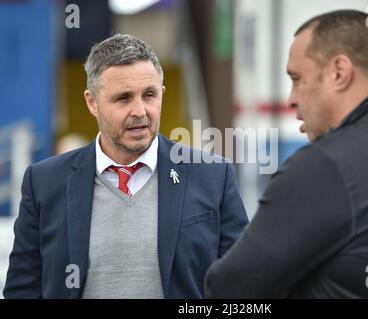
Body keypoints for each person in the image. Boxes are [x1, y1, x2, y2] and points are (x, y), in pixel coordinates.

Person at [204, 10, 368, 298]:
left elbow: (227, 292)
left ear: (338, 73)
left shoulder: (325, 166)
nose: (291, 98)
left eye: (297, 79)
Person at [4, 34, 248, 299]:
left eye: (150, 95)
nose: (140, 111)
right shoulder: (44, 183)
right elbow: (22, 290)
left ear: (162, 94)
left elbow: (242, 284)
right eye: (124, 98)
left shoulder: (213, 177)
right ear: (92, 102)